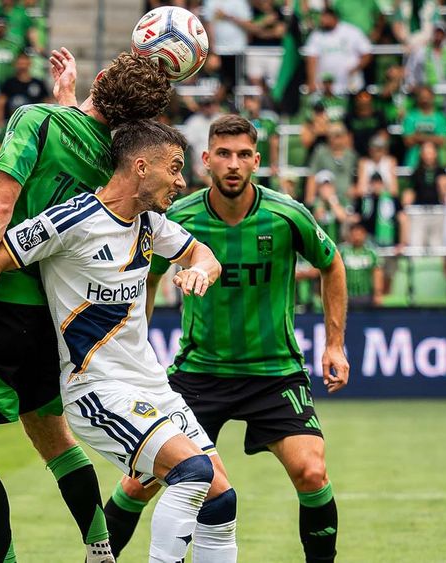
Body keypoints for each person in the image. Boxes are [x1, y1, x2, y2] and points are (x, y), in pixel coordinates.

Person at [0, 119, 234, 563]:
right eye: (176, 167)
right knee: (192, 472)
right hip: (100, 389)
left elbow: (203, 254)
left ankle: (100, 551)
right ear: (141, 167)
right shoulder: (72, 220)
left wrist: (201, 269)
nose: (183, 180)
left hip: (154, 386)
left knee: (222, 499)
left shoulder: (151, 224)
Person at [95, 115, 349, 562]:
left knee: (312, 472)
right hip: (198, 375)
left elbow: (333, 264)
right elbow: (146, 281)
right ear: (207, 160)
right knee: (140, 483)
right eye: (224, 155)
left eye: (243, 155)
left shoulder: (286, 215)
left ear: (257, 160)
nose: (233, 164)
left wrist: (334, 344)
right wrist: (137, 354)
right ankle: (97, 557)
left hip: (274, 374)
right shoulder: (178, 217)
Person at [303, 8, 372, 95]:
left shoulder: (352, 31)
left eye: (325, 17)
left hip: (350, 85)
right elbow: (311, 58)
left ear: (334, 17)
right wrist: (311, 81)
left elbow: (366, 53)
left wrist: (355, 69)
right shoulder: (316, 35)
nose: (322, 20)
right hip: (325, 87)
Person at [306, 122, 358, 205]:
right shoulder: (321, 153)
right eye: (331, 135)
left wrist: (355, 189)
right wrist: (310, 199)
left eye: (338, 135)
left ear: (345, 136)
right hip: (325, 199)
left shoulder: (351, 155)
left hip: (347, 199)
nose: (335, 139)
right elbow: (312, 175)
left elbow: (358, 176)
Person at [355, 173, 409, 250]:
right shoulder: (364, 200)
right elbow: (356, 218)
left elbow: (403, 218)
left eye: (378, 183)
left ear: (382, 184)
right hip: (368, 241)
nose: (376, 185)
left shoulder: (392, 199)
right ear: (370, 184)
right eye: (374, 183)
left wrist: (402, 243)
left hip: (389, 240)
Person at [401, 85, 446, 168]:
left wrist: (417, 137)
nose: (425, 99)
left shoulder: (440, 117)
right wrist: (433, 138)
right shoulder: (410, 117)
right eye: (422, 96)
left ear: (432, 97)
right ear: (417, 98)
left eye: (427, 97)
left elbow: (442, 141)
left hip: (437, 165)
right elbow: (408, 141)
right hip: (414, 163)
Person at [0, 52, 47, 127]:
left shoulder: (38, 83)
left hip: (34, 123)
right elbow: (0, 103)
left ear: (30, 63)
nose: (22, 66)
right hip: (13, 123)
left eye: (24, 63)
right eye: (20, 63)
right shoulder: (9, 83)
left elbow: (46, 103)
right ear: (15, 64)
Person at [342, 222, 384, 308]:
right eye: (354, 234)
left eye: (359, 234)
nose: (357, 237)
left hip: (366, 295)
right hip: (346, 296)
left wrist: (378, 294)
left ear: (364, 235)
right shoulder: (342, 252)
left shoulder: (371, 253)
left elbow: (377, 273)